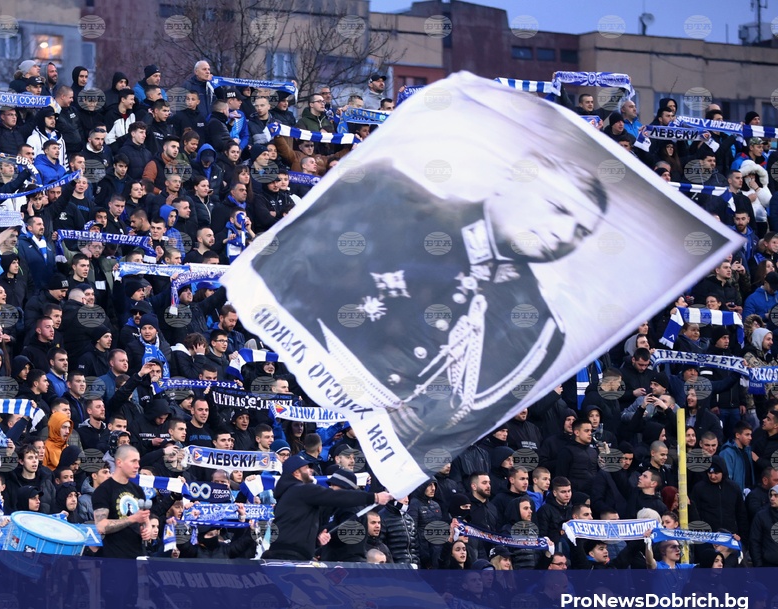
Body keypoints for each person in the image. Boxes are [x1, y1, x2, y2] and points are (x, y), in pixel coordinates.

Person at [250, 154, 606, 464]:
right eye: (558, 209)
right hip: (309, 394)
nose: (563, 234)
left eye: (580, 231)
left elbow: (458, 422)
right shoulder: (391, 199)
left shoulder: (539, 329)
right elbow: (286, 277)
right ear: (509, 183)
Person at [264, 454, 389, 560]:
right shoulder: (302, 490)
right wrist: (374, 497)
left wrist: (317, 539)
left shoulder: (288, 494)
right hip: (290, 555)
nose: (310, 471)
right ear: (296, 473)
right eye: (306, 468)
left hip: (285, 552)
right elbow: (336, 496)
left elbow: (297, 526)